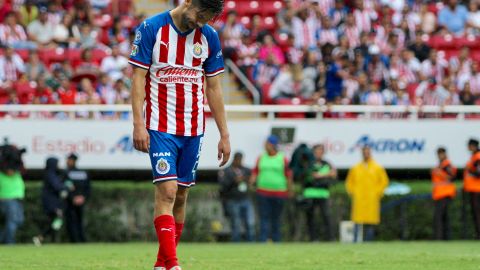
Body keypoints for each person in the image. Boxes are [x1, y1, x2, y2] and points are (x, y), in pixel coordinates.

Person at [128, 0, 230, 269]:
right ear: (187, 2)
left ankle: (161, 265)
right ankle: (173, 264)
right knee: (168, 192)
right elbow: (138, 78)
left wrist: (224, 134)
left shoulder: (209, 37)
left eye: (207, 19)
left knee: (182, 196)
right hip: (161, 126)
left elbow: (215, 88)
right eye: (200, 15)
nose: (201, 22)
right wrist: (138, 124)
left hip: (194, 128)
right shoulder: (151, 28)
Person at [250, 135, 293, 242]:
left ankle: (276, 239)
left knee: (276, 218)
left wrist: (290, 189)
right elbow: (255, 171)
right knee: (264, 217)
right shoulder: (261, 157)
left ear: (272, 145)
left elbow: (288, 175)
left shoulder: (282, 158)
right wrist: (252, 181)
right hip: (263, 192)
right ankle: (263, 240)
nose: (265, 145)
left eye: (267, 143)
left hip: (279, 193)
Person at [346, 146, 389, 242]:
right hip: (359, 197)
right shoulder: (355, 168)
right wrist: (353, 192)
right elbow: (349, 182)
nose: (366, 154)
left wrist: (377, 192)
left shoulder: (377, 167)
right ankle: (355, 241)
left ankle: (369, 241)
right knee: (357, 221)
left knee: (370, 222)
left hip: (371, 198)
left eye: (367, 152)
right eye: (364, 152)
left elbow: (384, 182)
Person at [33, 157, 71, 245]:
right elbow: (57, 187)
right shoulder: (50, 174)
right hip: (51, 202)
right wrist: (67, 186)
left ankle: (47, 239)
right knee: (58, 219)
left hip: (53, 201)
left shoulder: (52, 173)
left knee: (55, 220)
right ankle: (41, 236)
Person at [218, 152, 255, 242]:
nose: (240, 162)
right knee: (236, 223)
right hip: (233, 200)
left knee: (249, 222)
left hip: (245, 198)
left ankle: (251, 243)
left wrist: (249, 180)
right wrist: (234, 181)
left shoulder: (246, 170)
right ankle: (236, 242)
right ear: (234, 159)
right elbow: (223, 185)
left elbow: (251, 178)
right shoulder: (227, 171)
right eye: (238, 160)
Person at [303, 144, 336, 241]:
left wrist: (320, 175)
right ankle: (313, 238)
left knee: (326, 216)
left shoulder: (326, 163)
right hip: (310, 193)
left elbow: (333, 174)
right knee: (311, 217)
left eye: (321, 151)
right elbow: (311, 176)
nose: (319, 153)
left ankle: (330, 238)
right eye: (317, 151)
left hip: (323, 193)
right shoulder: (309, 163)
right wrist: (327, 174)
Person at [0, 141, 25, 244]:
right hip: (7, 199)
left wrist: (16, 152)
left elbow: (21, 166)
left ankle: (3, 238)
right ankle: (9, 242)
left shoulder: (17, 172)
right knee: (12, 221)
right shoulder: (2, 174)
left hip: (17, 199)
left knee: (19, 221)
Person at [64, 153, 90, 243]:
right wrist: (83, 197)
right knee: (78, 221)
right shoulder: (83, 173)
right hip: (78, 201)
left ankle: (77, 240)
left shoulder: (66, 173)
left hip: (72, 202)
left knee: (74, 222)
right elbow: (87, 188)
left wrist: (74, 198)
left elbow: (66, 187)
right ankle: (79, 240)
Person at [431, 147, 457, 240]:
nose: (439, 156)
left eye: (441, 153)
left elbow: (452, 177)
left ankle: (439, 238)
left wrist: (439, 173)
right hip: (439, 194)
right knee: (444, 216)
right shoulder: (441, 165)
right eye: (438, 154)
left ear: (445, 154)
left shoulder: (446, 165)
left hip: (445, 193)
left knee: (438, 216)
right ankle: (445, 238)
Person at [464, 138, 480, 239]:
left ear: (473, 146)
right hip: (474, 189)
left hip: (477, 189)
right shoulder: (474, 156)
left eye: (469, 145)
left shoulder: (477, 157)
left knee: (477, 213)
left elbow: (479, 172)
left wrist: (471, 173)